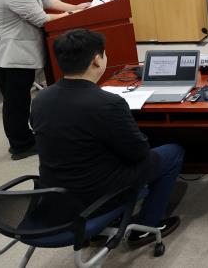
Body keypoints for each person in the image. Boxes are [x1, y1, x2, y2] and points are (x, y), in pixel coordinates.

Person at [30, 29, 183, 245]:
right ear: (97, 59)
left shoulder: (40, 99)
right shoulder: (108, 103)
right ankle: (148, 227)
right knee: (173, 152)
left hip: (56, 195)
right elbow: (139, 153)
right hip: (98, 195)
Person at [0, 0, 90, 160]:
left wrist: (75, 8)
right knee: (16, 102)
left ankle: (24, 138)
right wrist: (73, 18)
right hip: (6, 55)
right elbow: (40, 18)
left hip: (13, 52)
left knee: (19, 100)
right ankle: (21, 146)